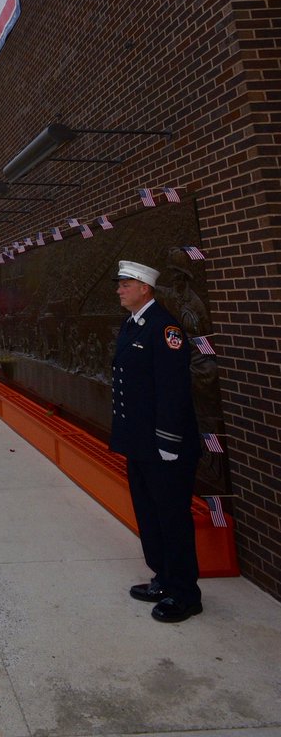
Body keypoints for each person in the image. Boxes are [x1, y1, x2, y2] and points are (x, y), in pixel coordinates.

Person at [110, 260, 202, 623]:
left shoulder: (165, 329)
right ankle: (163, 578)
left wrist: (167, 440)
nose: (119, 290)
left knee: (171, 517)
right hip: (140, 442)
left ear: (144, 288)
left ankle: (185, 593)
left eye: (125, 284)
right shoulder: (132, 324)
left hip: (165, 445)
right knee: (149, 515)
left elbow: (172, 390)